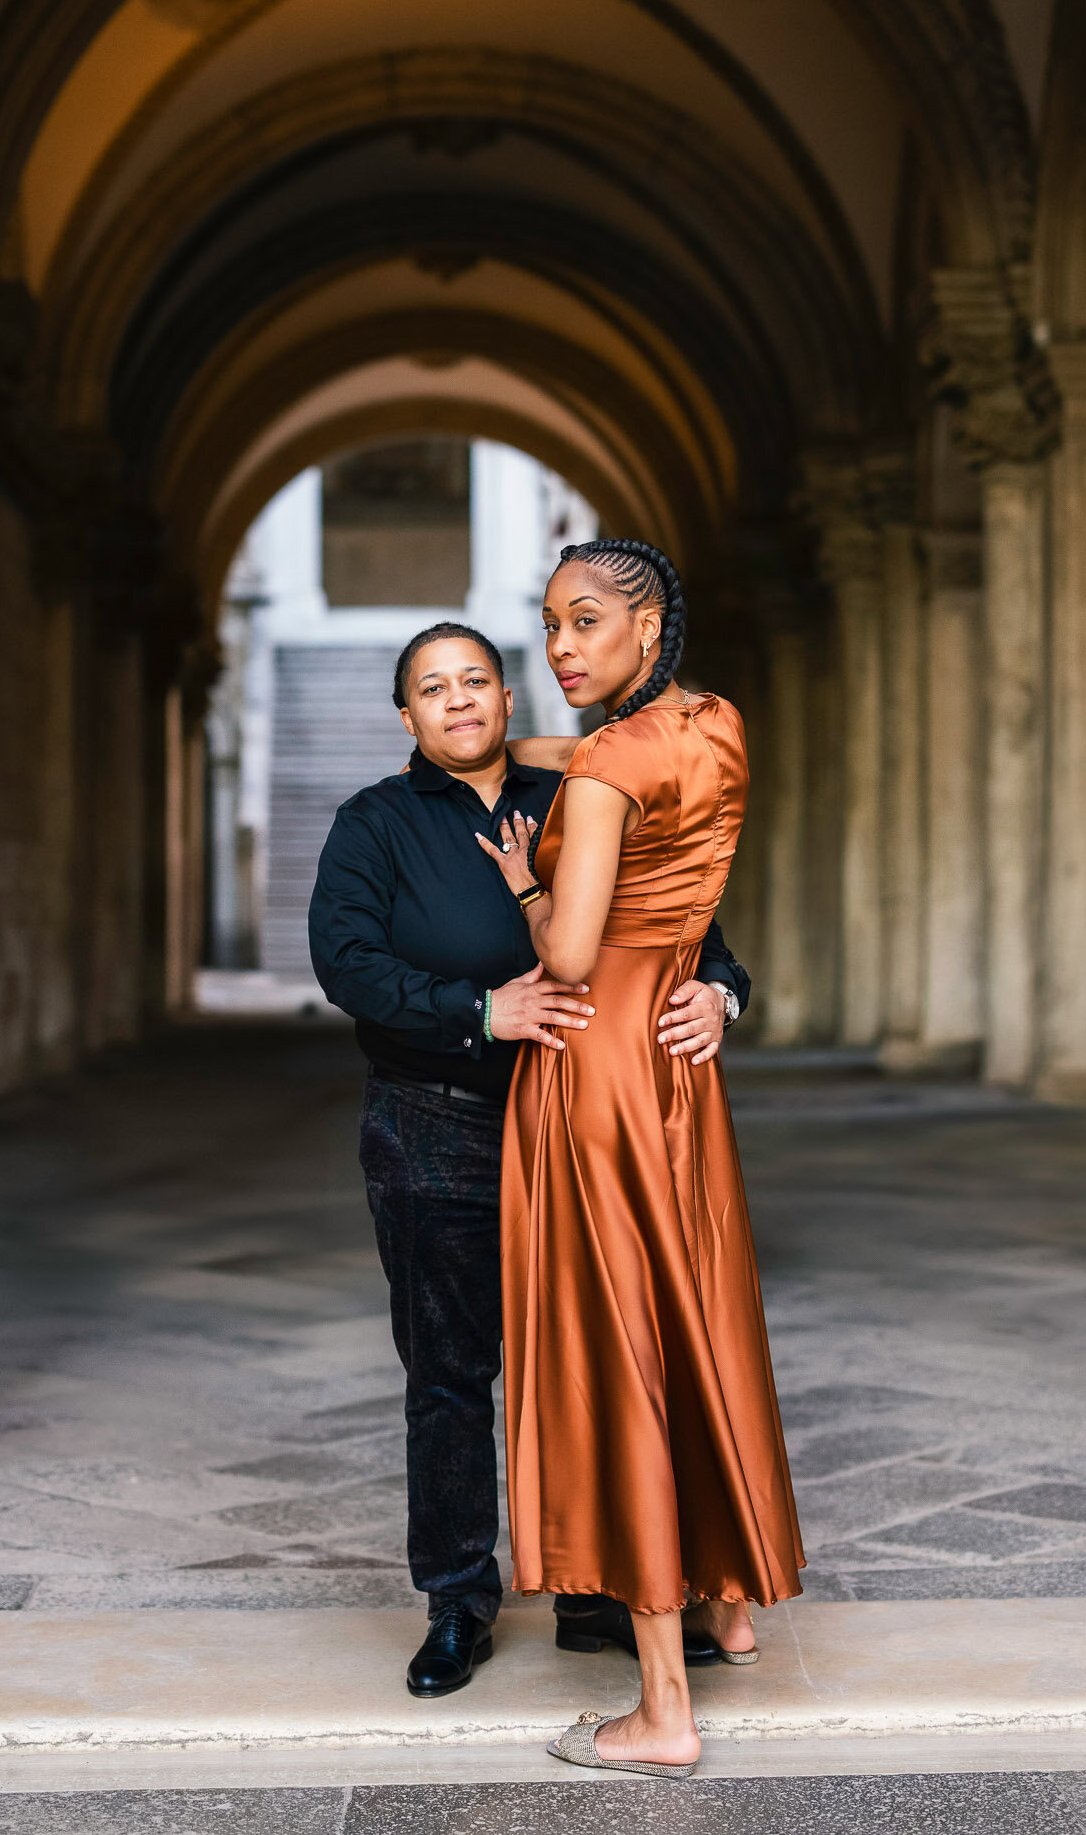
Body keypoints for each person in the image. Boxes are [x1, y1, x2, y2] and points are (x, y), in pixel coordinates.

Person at [308, 621, 753, 1699]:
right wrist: (477, 1010)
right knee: (451, 1372)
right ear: (405, 716)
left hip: (587, 1127)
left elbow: (690, 926)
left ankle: (599, 1590)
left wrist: (722, 993)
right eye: (431, 688)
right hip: (436, 1119)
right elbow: (347, 962)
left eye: (475, 681)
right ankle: (458, 1597)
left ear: (509, 702)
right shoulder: (372, 824)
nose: (457, 701)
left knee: (599, 1357)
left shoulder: (582, 791)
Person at [480, 541, 804, 1778]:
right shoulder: (711, 725)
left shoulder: (609, 767)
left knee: (612, 1339)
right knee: (694, 1312)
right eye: (547, 625)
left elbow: (563, 958)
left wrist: (522, 880)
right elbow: (611, 763)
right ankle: (731, 1603)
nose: (558, 646)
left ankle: (662, 1708)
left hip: (599, 1059)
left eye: (582, 622)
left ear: (647, 621)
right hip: (677, 1057)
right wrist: (543, 757)